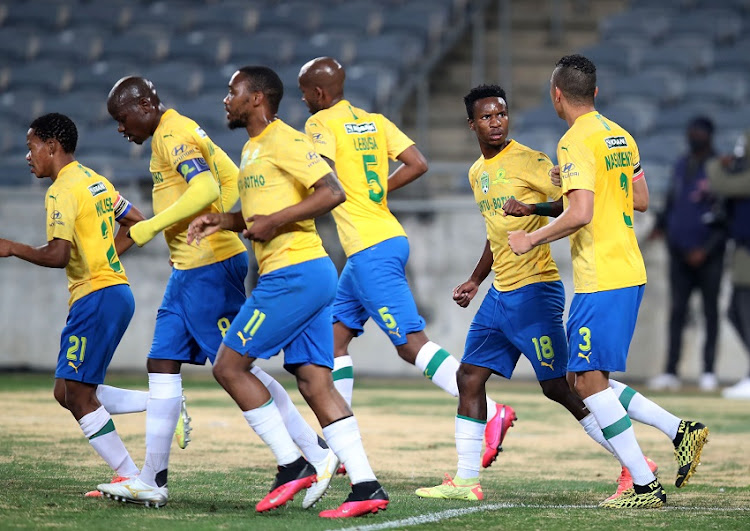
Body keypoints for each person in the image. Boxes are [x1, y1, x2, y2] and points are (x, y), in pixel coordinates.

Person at [96, 76, 337, 509]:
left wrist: (150, 227)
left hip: (210, 266)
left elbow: (205, 188)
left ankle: (312, 453)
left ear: (147, 104)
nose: (120, 127)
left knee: (237, 367)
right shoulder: (166, 134)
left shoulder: (175, 132)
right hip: (189, 267)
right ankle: (152, 478)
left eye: (122, 117)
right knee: (162, 362)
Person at [415, 85, 658, 502]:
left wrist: (536, 207)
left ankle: (634, 464)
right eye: (487, 117)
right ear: (471, 124)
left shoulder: (533, 162)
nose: (496, 122)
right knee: (469, 377)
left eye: (502, 114)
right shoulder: (477, 173)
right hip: (499, 295)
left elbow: (573, 206)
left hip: (535, 292)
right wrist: (476, 280)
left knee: (564, 388)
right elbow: (496, 234)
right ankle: (466, 481)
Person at [508, 54, 710, 508]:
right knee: (583, 377)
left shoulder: (574, 141)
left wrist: (531, 239)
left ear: (557, 95)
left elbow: (580, 214)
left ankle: (643, 484)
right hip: (626, 268)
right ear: (595, 93)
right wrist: (561, 192)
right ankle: (680, 431)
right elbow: (639, 199)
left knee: (588, 382)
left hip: (601, 277)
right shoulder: (620, 134)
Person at [187, 65, 388, 519]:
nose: (226, 99)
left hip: (294, 274)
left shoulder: (288, 140)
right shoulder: (253, 147)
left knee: (229, 366)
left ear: (256, 98)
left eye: (232, 91)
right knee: (315, 381)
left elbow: (332, 191)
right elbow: (261, 213)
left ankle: (293, 462)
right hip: (306, 274)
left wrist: (276, 222)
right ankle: (366, 486)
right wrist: (225, 220)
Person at [297, 57, 516, 469]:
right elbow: (418, 163)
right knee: (334, 341)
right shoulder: (374, 121)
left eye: (305, 92)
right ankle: (340, 439)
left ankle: (493, 411)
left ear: (318, 93)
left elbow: (321, 181)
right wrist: (379, 191)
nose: (304, 100)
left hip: (368, 248)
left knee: (410, 345)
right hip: (383, 238)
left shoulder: (319, 124)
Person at [0, 113, 144, 493]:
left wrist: (12, 247)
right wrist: (107, 258)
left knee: (77, 394)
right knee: (66, 390)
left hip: (96, 295)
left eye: (32, 148)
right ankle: (163, 403)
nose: (28, 157)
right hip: (113, 291)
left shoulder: (62, 190)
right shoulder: (94, 179)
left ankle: (130, 476)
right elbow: (135, 221)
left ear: (52, 146)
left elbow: (57, 255)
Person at [648, 117, 726, 392]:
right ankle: (671, 371)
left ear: (709, 135)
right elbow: (672, 202)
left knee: (710, 313)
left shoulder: (719, 167)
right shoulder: (682, 164)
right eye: (691, 132)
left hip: (709, 256)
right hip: (679, 253)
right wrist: (659, 226)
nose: (693, 137)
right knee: (677, 313)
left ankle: (708, 372)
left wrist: (705, 250)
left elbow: (723, 214)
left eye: (699, 133)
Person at [707, 130, 750, 399]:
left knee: (744, 312)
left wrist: (715, 164)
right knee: (735, 312)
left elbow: (723, 184)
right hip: (743, 250)